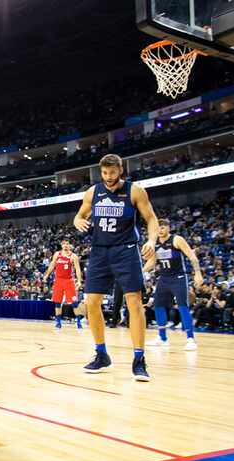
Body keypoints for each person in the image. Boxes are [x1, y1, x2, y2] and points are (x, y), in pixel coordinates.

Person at [73, 154, 159, 382]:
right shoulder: (93, 192)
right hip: (100, 251)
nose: (108, 177)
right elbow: (79, 215)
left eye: (112, 172)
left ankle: (139, 359)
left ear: (120, 170)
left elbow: (151, 218)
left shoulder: (135, 191)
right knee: (91, 302)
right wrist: (77, 221)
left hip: (126, 249)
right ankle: (101, 354)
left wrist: (151, 241)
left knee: (134, 301)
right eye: (104, 173)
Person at [142, 218, 203, 350]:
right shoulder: (155, 243)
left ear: (168, 228)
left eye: (163, 227)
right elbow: (152, 262)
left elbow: (192, 256)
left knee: (182, 306)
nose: (160, 230)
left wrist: (198, 273)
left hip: (179, 277)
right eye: (158, 227)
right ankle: (162, 338)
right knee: (158, 305)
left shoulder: (177, 239)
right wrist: (141, 271)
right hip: (164, 278)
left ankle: (190, 339)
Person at [43, 240, 84, 329]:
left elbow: (77, 269)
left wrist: (79, 281)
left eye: (67, 244)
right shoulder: (57, 254)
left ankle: (78, 322)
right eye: (64, 244)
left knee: (74, 303)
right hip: (58, 281)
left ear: (70, 246)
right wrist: (46, 275)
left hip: (69, 281)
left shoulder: (73, 256)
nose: (65, 245)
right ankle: (58, 322)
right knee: (57, 302)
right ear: (61, 245)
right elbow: (52, 265)